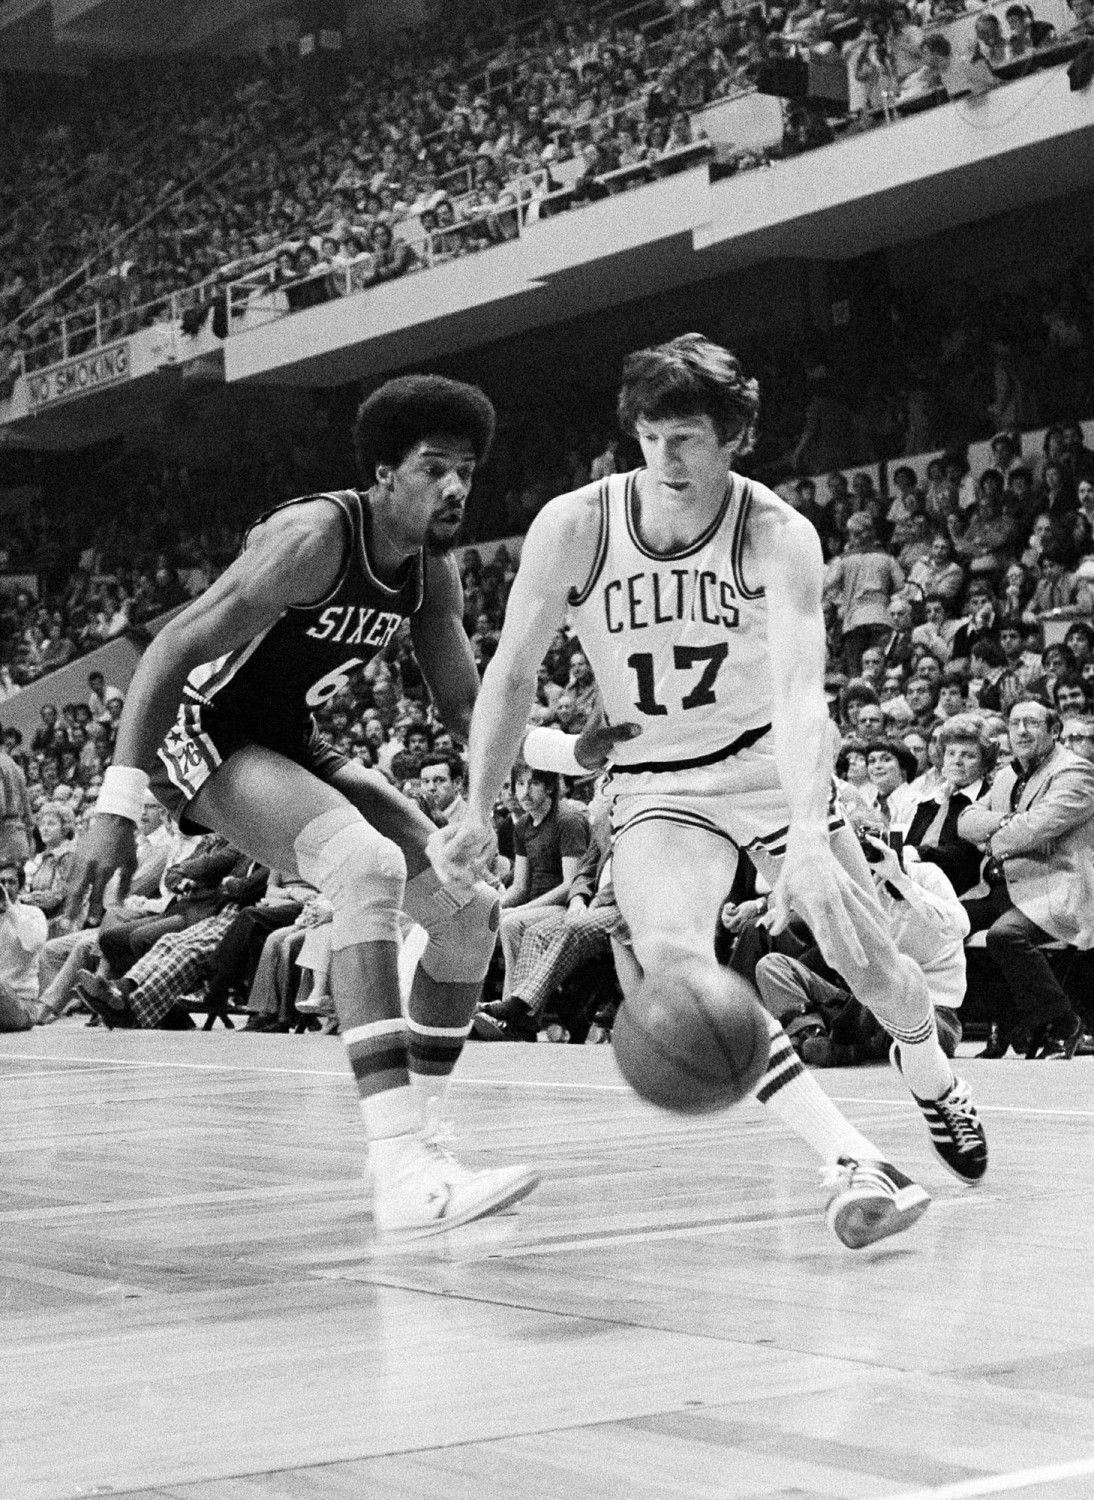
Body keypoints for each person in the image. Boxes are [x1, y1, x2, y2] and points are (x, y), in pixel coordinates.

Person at [433, 333, 987, 1251]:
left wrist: (810, 830)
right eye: (649, 437)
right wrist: (477, 804)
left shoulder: (777, 532)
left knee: (871, 967)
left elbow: (804, 693)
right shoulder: (575, 523)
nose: (665, 459)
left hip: (770, 761)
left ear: (735, 437)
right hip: (658, 781)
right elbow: (511, 673)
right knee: (677, 968)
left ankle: (932, 1076)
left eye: (686, 438)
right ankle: (852, 1159)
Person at [66, 375, 537, 1241]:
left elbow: (471, 712)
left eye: (465, 470)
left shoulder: (432, 576)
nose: (456, 488)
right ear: (383, 473)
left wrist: (559, 753)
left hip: (286, 736)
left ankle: (419, 1145)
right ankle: (398, 1164)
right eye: (434, 469)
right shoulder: (315, 535)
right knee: (366, 864)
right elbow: (171, 645)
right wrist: (117, 802)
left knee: (469, 911)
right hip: (201, 729)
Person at [958, 697, 1094, 1057]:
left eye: (1032, 723)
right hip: (1000, 886)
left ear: (1054, 730)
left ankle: (1065, 1022)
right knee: (939, 922)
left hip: (1055, 886)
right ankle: (1005, 1024)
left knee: (1005, 935)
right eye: (1015, 723)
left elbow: (1034, 830)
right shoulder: (1005, 775)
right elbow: (965, 821)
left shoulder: (1076, 772)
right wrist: (1005, 825)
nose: (1021, 731)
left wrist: (993, 838)